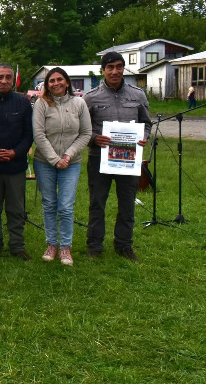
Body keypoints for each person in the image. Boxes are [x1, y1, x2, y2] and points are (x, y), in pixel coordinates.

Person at [83, 52, 151, 261]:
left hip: (129, 159)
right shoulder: (90, 97)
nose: (115, 71)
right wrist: (95, 138)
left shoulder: (138, 95)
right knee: (97, 203)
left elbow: (146, 123)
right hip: (99, 159)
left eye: (119, 67)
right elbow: (82, 129)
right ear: (103, 70)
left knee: (127, 203)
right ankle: (94, 246)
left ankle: (124, 245)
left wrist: (144, 137)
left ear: (123, 68)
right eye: (110, 67)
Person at [33, 67, 91, 266]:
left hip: (71, 163)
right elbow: (38, 135)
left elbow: (86, 133)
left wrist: (67, 155)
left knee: (65, 205)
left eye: (60, 79)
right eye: (51, 81)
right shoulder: (41, 104)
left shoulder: (79, 103)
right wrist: (54, 159)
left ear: (67, 82)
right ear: (47, 85)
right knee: (49, 203)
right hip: (44, 162)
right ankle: (52, 244)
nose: (56, 83)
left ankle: (66, 246)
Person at [0, 63, 33, 260]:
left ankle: (17, 246)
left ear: (13, 80)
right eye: (0, 77)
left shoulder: (23, 102)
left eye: (8, 77)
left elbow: (29, 134)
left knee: (16, 209)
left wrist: (15, 152)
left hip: (15, 166)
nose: (4, 81)